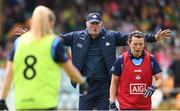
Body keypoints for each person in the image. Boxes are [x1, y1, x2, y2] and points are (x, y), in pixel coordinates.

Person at [13, 12, 171, 110]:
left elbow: (133, 38)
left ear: (101, 24)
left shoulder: (111, 36)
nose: (94, 26)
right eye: (92, 23)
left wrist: (154, 38)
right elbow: (55, 39)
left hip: (105, 85)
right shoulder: (76, 36)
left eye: (97, 23)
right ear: (86, 24)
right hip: (86, 85)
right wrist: (32, 34)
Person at [0, 6, 88, 110]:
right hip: (45, 102)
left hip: (22, 102)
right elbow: (70, 70)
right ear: (50, 22)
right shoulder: (53, 43)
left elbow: (9, 73)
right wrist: (82, 82)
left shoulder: (18, 43)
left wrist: (2, 99)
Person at [109, 31, 163, 110]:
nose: (138, 47)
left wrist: (153, 87)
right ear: (129, 43)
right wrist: (112, 102)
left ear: (144, 44)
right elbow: (114, 82)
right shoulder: (121, 60)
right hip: (126, 106)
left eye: (140, 44)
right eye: (135, 44)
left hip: (145, 107)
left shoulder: (150, 59)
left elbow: (160, 79)